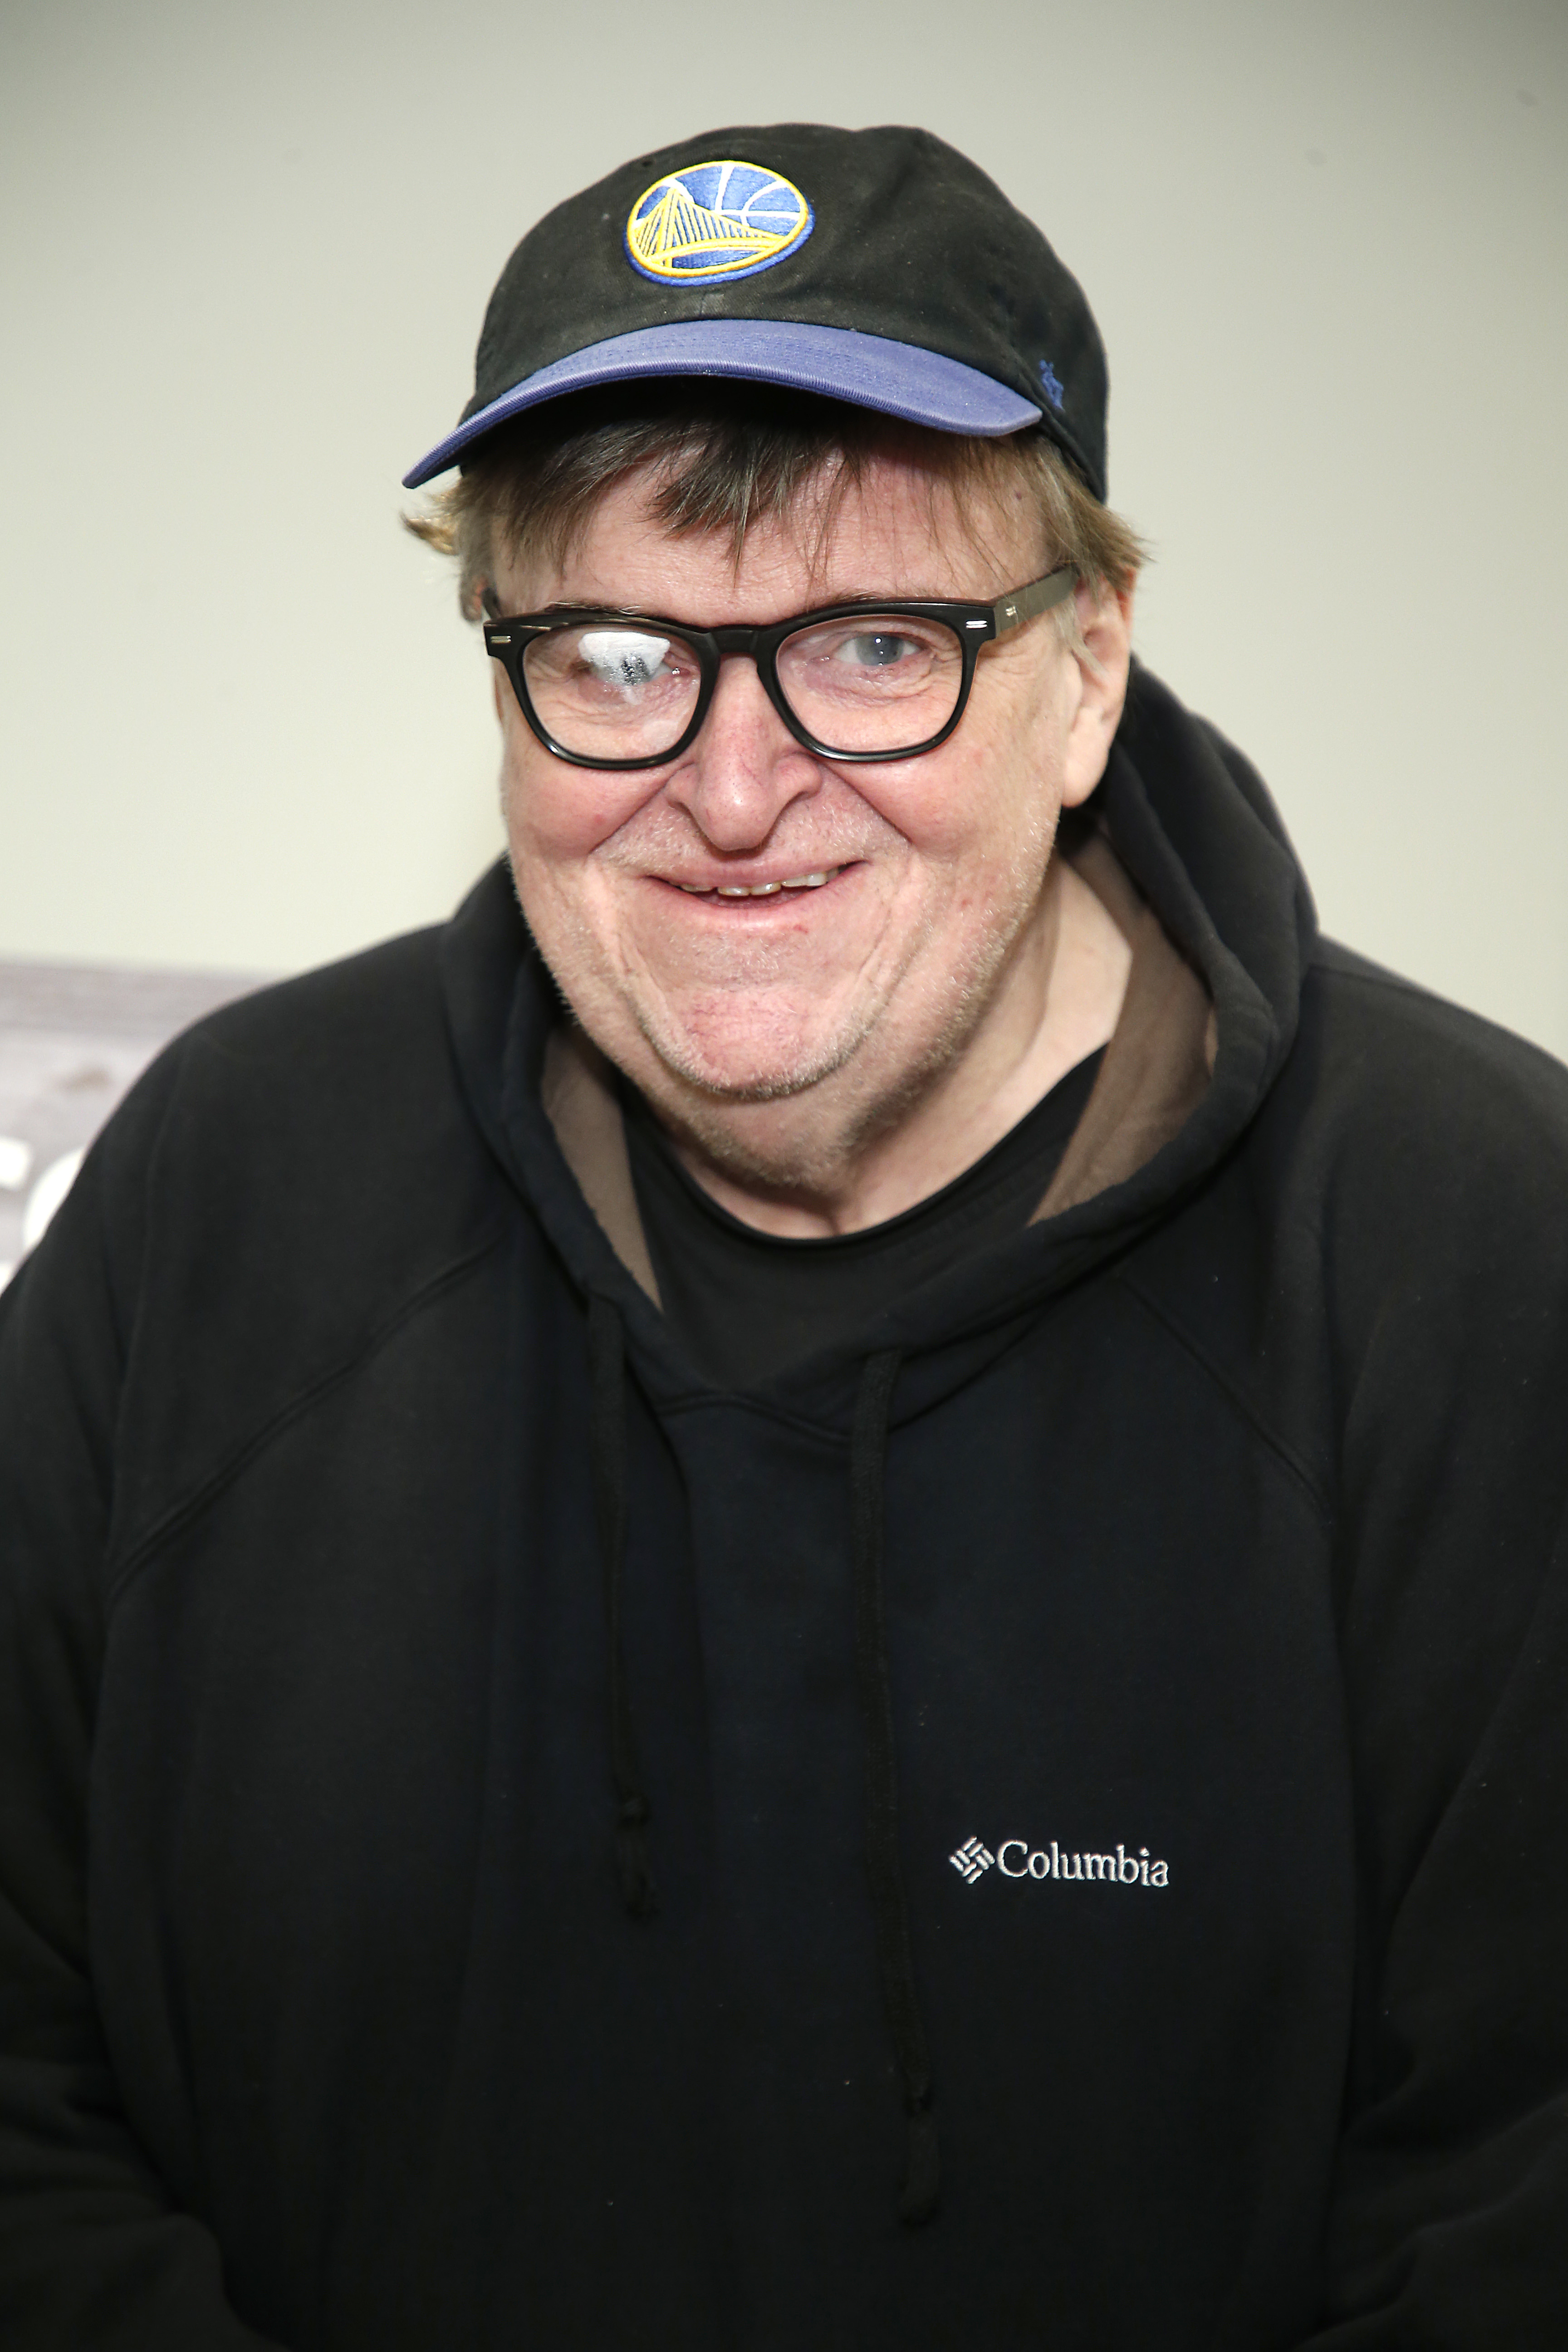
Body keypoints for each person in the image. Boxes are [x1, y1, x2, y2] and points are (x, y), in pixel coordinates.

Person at [2, 120, 1566, 2352]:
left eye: (869, 642)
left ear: (1090, 668)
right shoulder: (221, 1201)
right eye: (622, 654)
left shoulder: (1484, 1268)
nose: (731, 795)